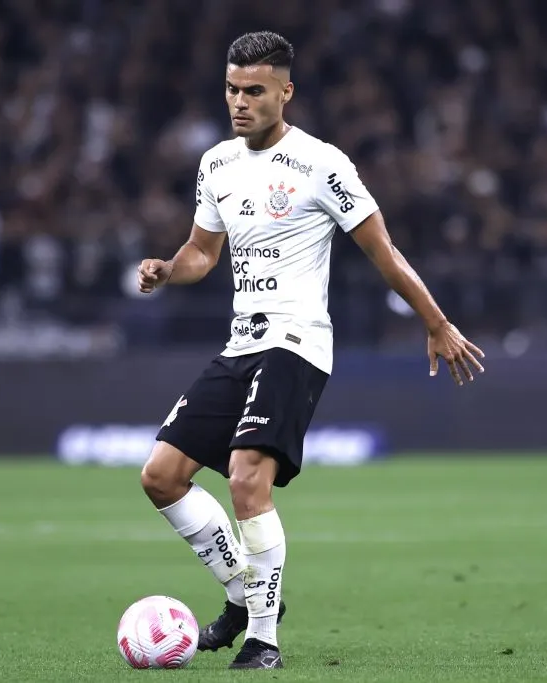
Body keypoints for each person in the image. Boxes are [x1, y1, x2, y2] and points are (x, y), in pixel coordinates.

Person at [136, 31, 485, 669]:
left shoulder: (323, 163)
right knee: (160, 477)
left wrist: (436, 322)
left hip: (296, 343)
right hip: (241, 343)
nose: (239, 102)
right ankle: (243, 594)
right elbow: (202, 254)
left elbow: (385, 252)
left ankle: (263, 639)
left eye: (254, 91)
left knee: (247, 480)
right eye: (231, 90)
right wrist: (167, 269)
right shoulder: (215, 163)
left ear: (285, 93)